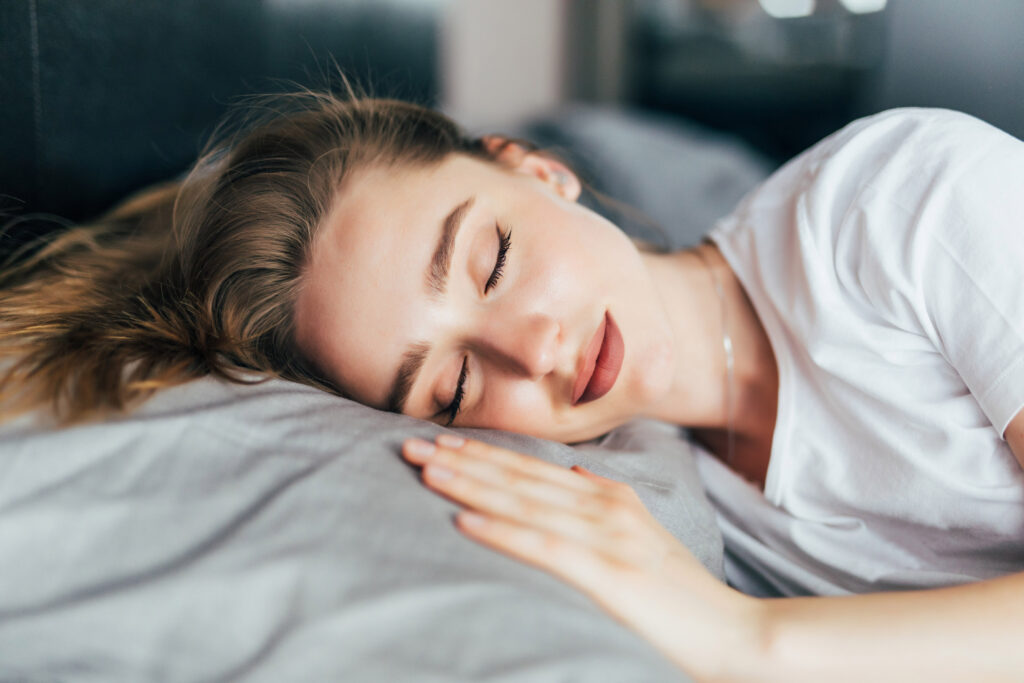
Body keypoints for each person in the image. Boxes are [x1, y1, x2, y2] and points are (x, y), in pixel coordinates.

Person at [2, 81, 1023, 681]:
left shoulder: (903, 203)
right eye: (448, 385)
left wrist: (748, 639)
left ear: (535, 170)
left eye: (489, 260)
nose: (531, 353)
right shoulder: (668, 499)